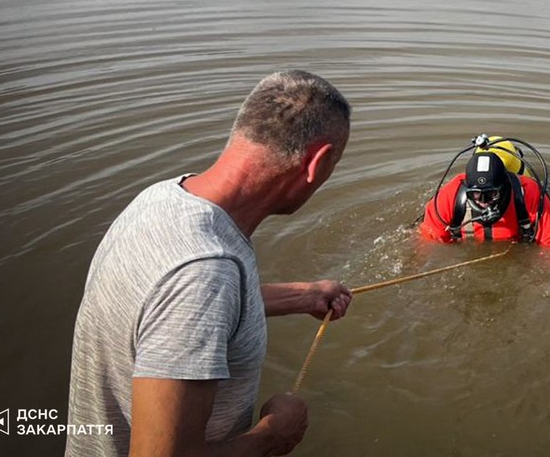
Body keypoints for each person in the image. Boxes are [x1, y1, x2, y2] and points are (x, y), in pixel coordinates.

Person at [66, 70, 354, 457]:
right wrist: (273, 435)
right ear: (316, 164)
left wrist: (303, 296)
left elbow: (165, 312)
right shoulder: (204, 273)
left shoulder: (163, 199)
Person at [419, 135, 550, 249]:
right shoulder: (450, 196)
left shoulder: (529, 193)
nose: (483, 201)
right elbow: (428, 242)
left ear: (504, 185)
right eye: (475, 194)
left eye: (491, 194)